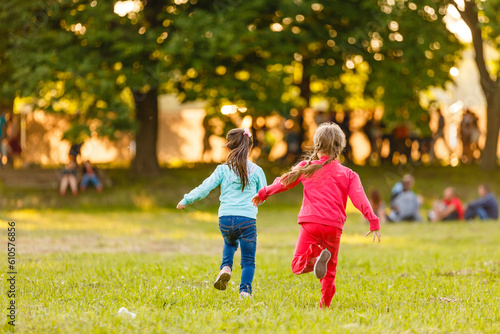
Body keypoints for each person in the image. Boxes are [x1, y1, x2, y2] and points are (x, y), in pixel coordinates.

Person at [251, 122, 381, 308]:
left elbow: (283, 182)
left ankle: (315, 255)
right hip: (334, 227)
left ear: (316, 145)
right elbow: (360, 200)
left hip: (311, 223)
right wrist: (373, 221)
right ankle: (324, 305)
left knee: (297, 265)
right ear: (340, 147)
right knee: (330, 271)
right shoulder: (348, 174)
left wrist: (263, 192)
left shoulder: (306, 167)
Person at [177, 128, 267, 299]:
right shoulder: (257, 171)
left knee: (230, 242)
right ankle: (245, 291)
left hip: (225, 219)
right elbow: (263, 194)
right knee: (248, 260)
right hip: (247, 220)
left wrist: (186, 200)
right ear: (249, 148)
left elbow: (204, 188)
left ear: (227, 148)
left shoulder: (222, 170)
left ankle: (225, 267)